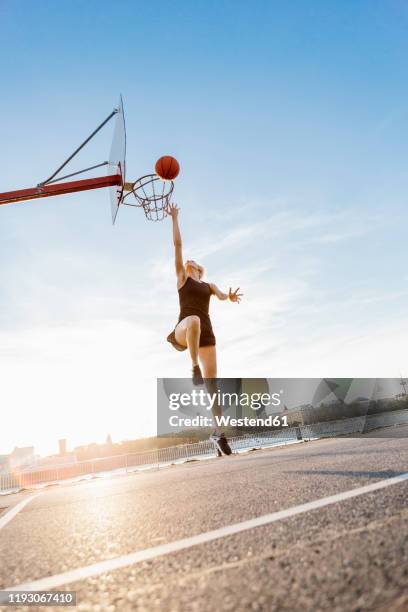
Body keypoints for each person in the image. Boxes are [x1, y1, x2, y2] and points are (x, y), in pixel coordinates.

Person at [166, 203, 242, 455]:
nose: (189, 261)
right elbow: (177, 246)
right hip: (184, 328)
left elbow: (220, 295)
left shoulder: (208, 285)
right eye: (188, 261)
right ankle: (193, 366)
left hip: (206, 334)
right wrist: (174, 218)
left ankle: (219, 435)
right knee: (194, 321)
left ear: (199, 269)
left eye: (193, 262)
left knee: (213, 387)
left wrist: (228, 297)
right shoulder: (181, 278)